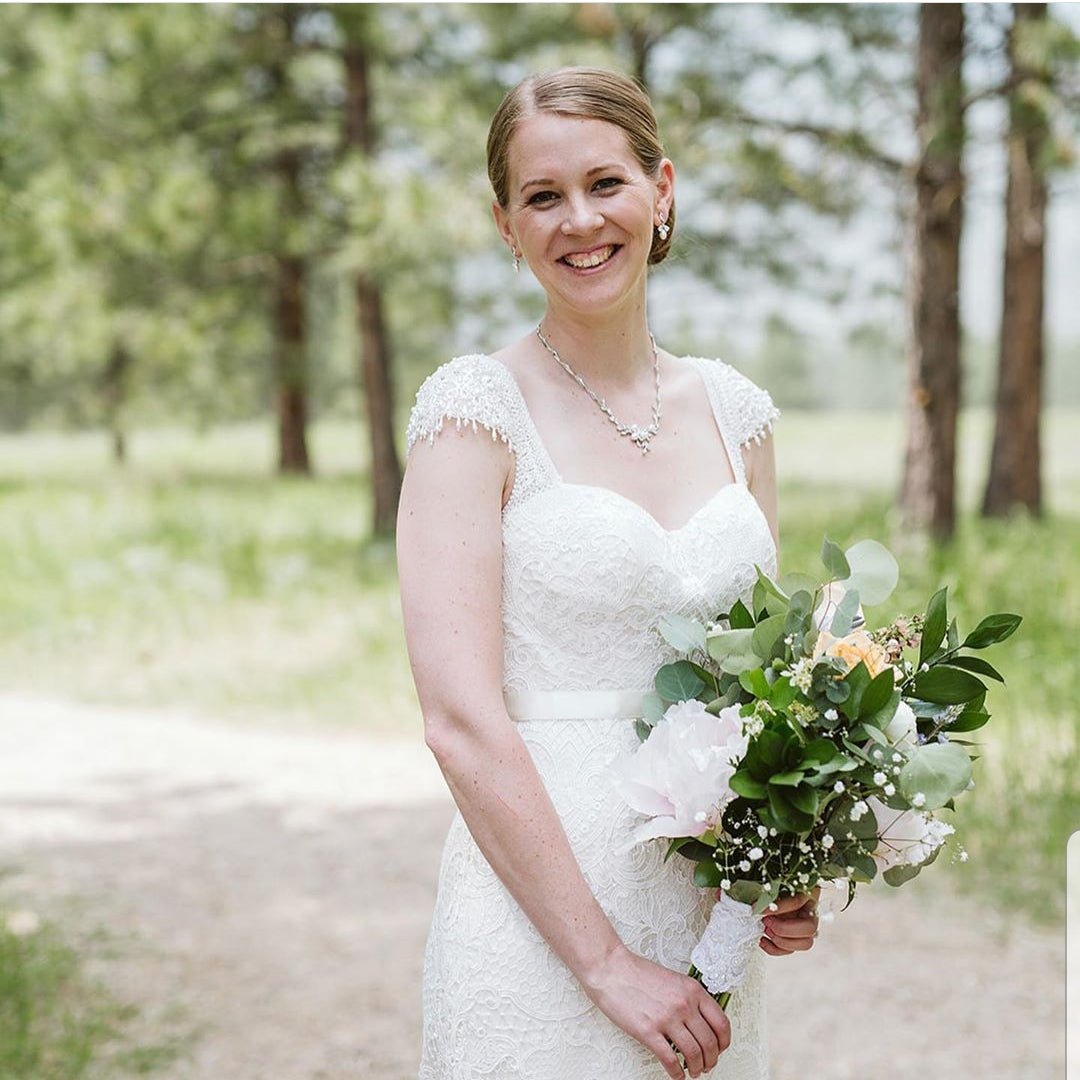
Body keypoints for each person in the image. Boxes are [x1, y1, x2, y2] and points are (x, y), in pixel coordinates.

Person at [396, 65, 819, 1080]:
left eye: (605, 183)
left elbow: (761, 687)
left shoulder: (738, 414)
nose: (578, 220)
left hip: (704, 925)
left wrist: (784, 858)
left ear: (661, 189)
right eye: (542, 197)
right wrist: (603, 963)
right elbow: (459, 717)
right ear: (506, 225)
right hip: (542, 924)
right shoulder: (473, 414)